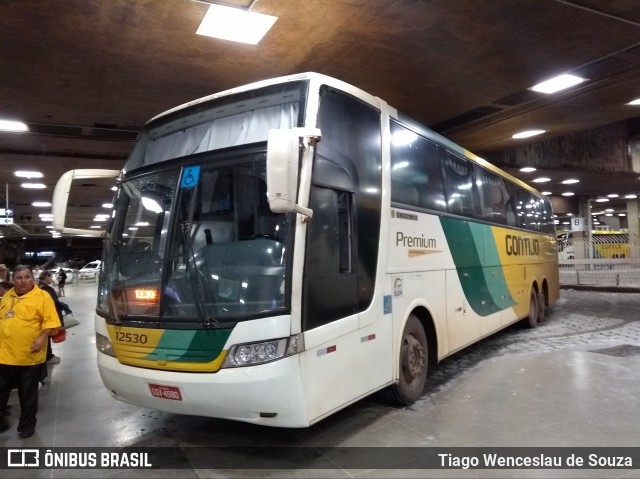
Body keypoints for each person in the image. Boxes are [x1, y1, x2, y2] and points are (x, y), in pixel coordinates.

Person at [0, 265, 61, 439]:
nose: (23, 281)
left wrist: (42, 339)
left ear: (32, 278)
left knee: (27, 394)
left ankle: (27, 426)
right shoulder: (7, 296)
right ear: (13, 280)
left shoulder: (42, 297)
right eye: (19, 278)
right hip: (4, 355)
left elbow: (50, 322)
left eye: (26, 277)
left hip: (29, 355)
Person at [38, 271, 65, 367]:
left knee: (48, 336)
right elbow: (54, 301)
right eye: (50, 277)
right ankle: (48, 357)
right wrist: (62, 306)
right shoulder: (44, 288)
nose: (51, 279)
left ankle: (49, 355)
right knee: (47, 336)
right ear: (46, 277)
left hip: (48, 314)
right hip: (48, 315)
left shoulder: (42, 286)